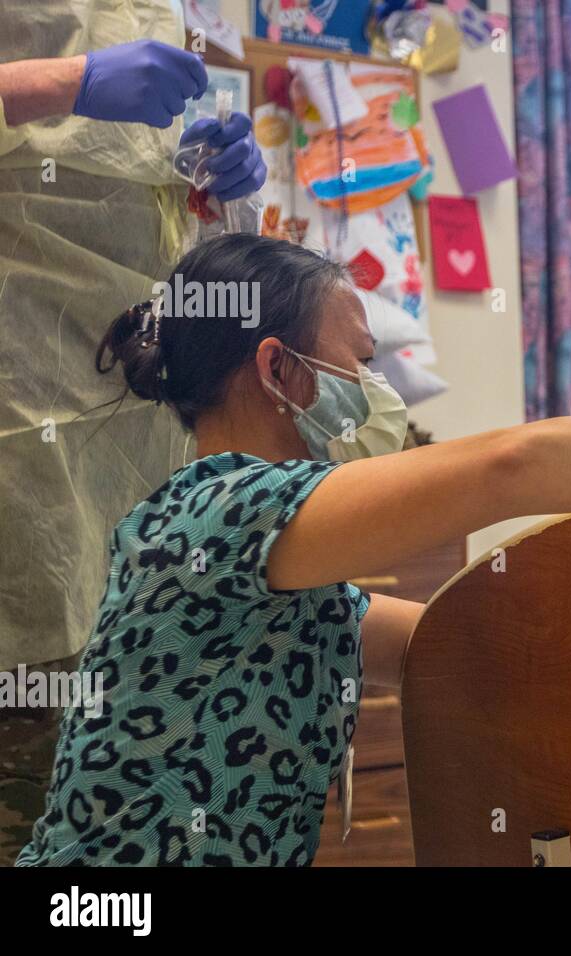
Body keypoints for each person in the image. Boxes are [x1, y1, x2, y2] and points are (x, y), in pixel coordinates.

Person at [16, 234, 571, 866]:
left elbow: (456, 644)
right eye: (360, 363)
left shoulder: (280, 577)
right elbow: (512, 466)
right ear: (277, 368)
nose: (376, 387)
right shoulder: (220, 512)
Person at [0, 0, 265, 865]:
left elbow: (146, 175)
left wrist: (219, 181)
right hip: (18, 376)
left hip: (137, 400)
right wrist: (59, 83)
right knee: (26, 757)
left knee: (124, 788)